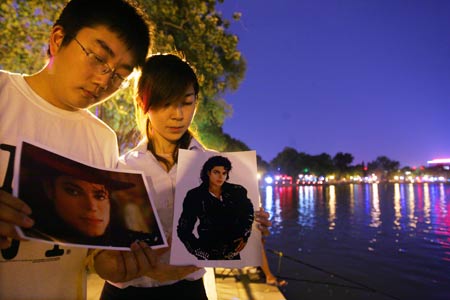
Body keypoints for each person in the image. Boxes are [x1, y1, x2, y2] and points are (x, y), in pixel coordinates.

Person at [0, 0, 153, 298]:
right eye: (98, 57)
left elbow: (90, 252)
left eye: (120, 76)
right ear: (58, 40)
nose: (103, 80)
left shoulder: (102, 139)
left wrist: (108, 264)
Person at [93, 53, 271, 299]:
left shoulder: (218, 167)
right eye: (165, 102)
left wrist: (252, 224)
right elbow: (99, 253)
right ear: (143, 102)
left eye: (186, 102)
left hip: (189, 292)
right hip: (126, 292)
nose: (177, 114)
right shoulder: (119, 169)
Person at [18, 142, 162, 248]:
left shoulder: (133, 241)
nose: (91, 207)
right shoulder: (29, 230)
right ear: (50, 189)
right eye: (73, 191)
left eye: (100, 196)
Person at [177, 155, 254, 260]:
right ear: (208, 173)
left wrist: (245, 235)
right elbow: (183, 229)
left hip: (232, 250)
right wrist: (197, 250)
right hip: (207, 250)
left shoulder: (237, 191)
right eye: (216, 172)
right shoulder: (195, 195)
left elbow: (248, 214)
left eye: (224, 173)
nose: (220, 177)